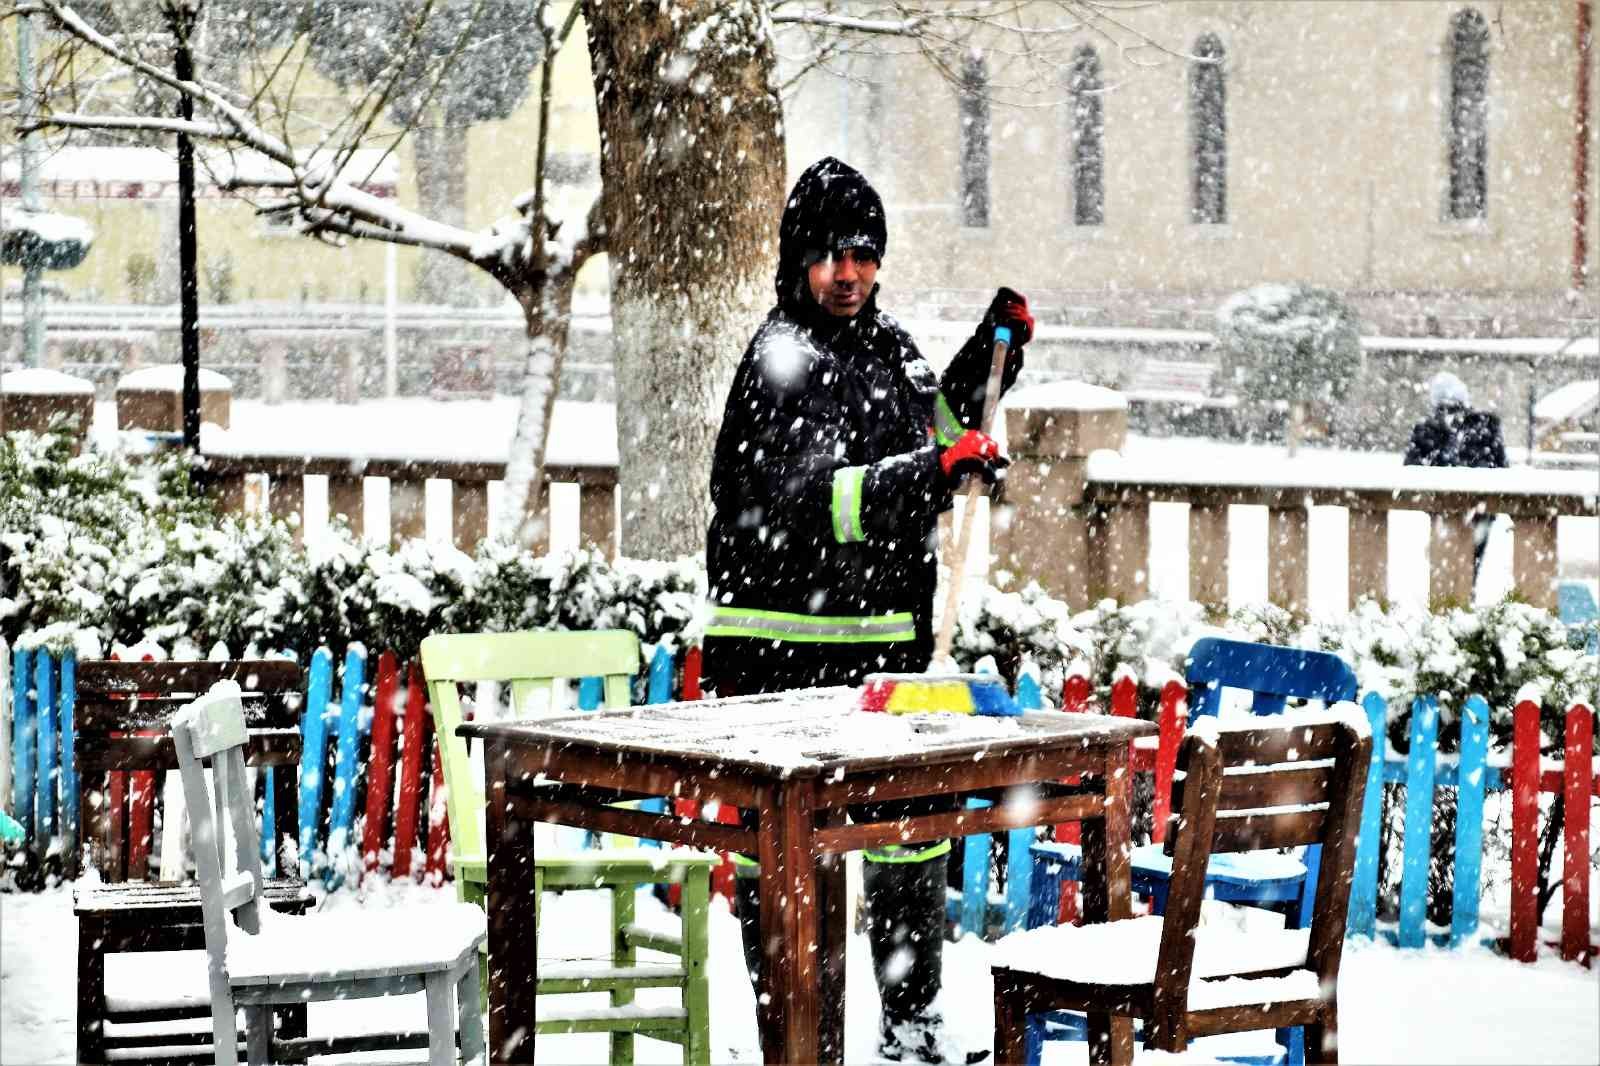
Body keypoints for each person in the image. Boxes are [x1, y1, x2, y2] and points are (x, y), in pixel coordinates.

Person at [702, 156, 1032, 1063]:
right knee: (790, 864)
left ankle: (910, 1024)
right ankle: (796, 1040)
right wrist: (930, 472)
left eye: (862, 253)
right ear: (795, 262)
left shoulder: (890, 349)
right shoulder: (781, 360)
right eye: (828, 256)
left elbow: (933, 425)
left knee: (905, 844)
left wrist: (991, 354)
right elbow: (807, 503)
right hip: (777, 651)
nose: (847, 272)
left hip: (883, 650)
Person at [1403, 370, 1508, 586]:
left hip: (1445, 508)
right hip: (1480, 509)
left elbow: (1411, 469)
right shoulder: (1486, 427)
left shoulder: (1428, 431)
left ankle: (1452, 597)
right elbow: (1501, 467)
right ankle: (1464, 593)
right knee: (1470, 563)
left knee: (1445, 564)